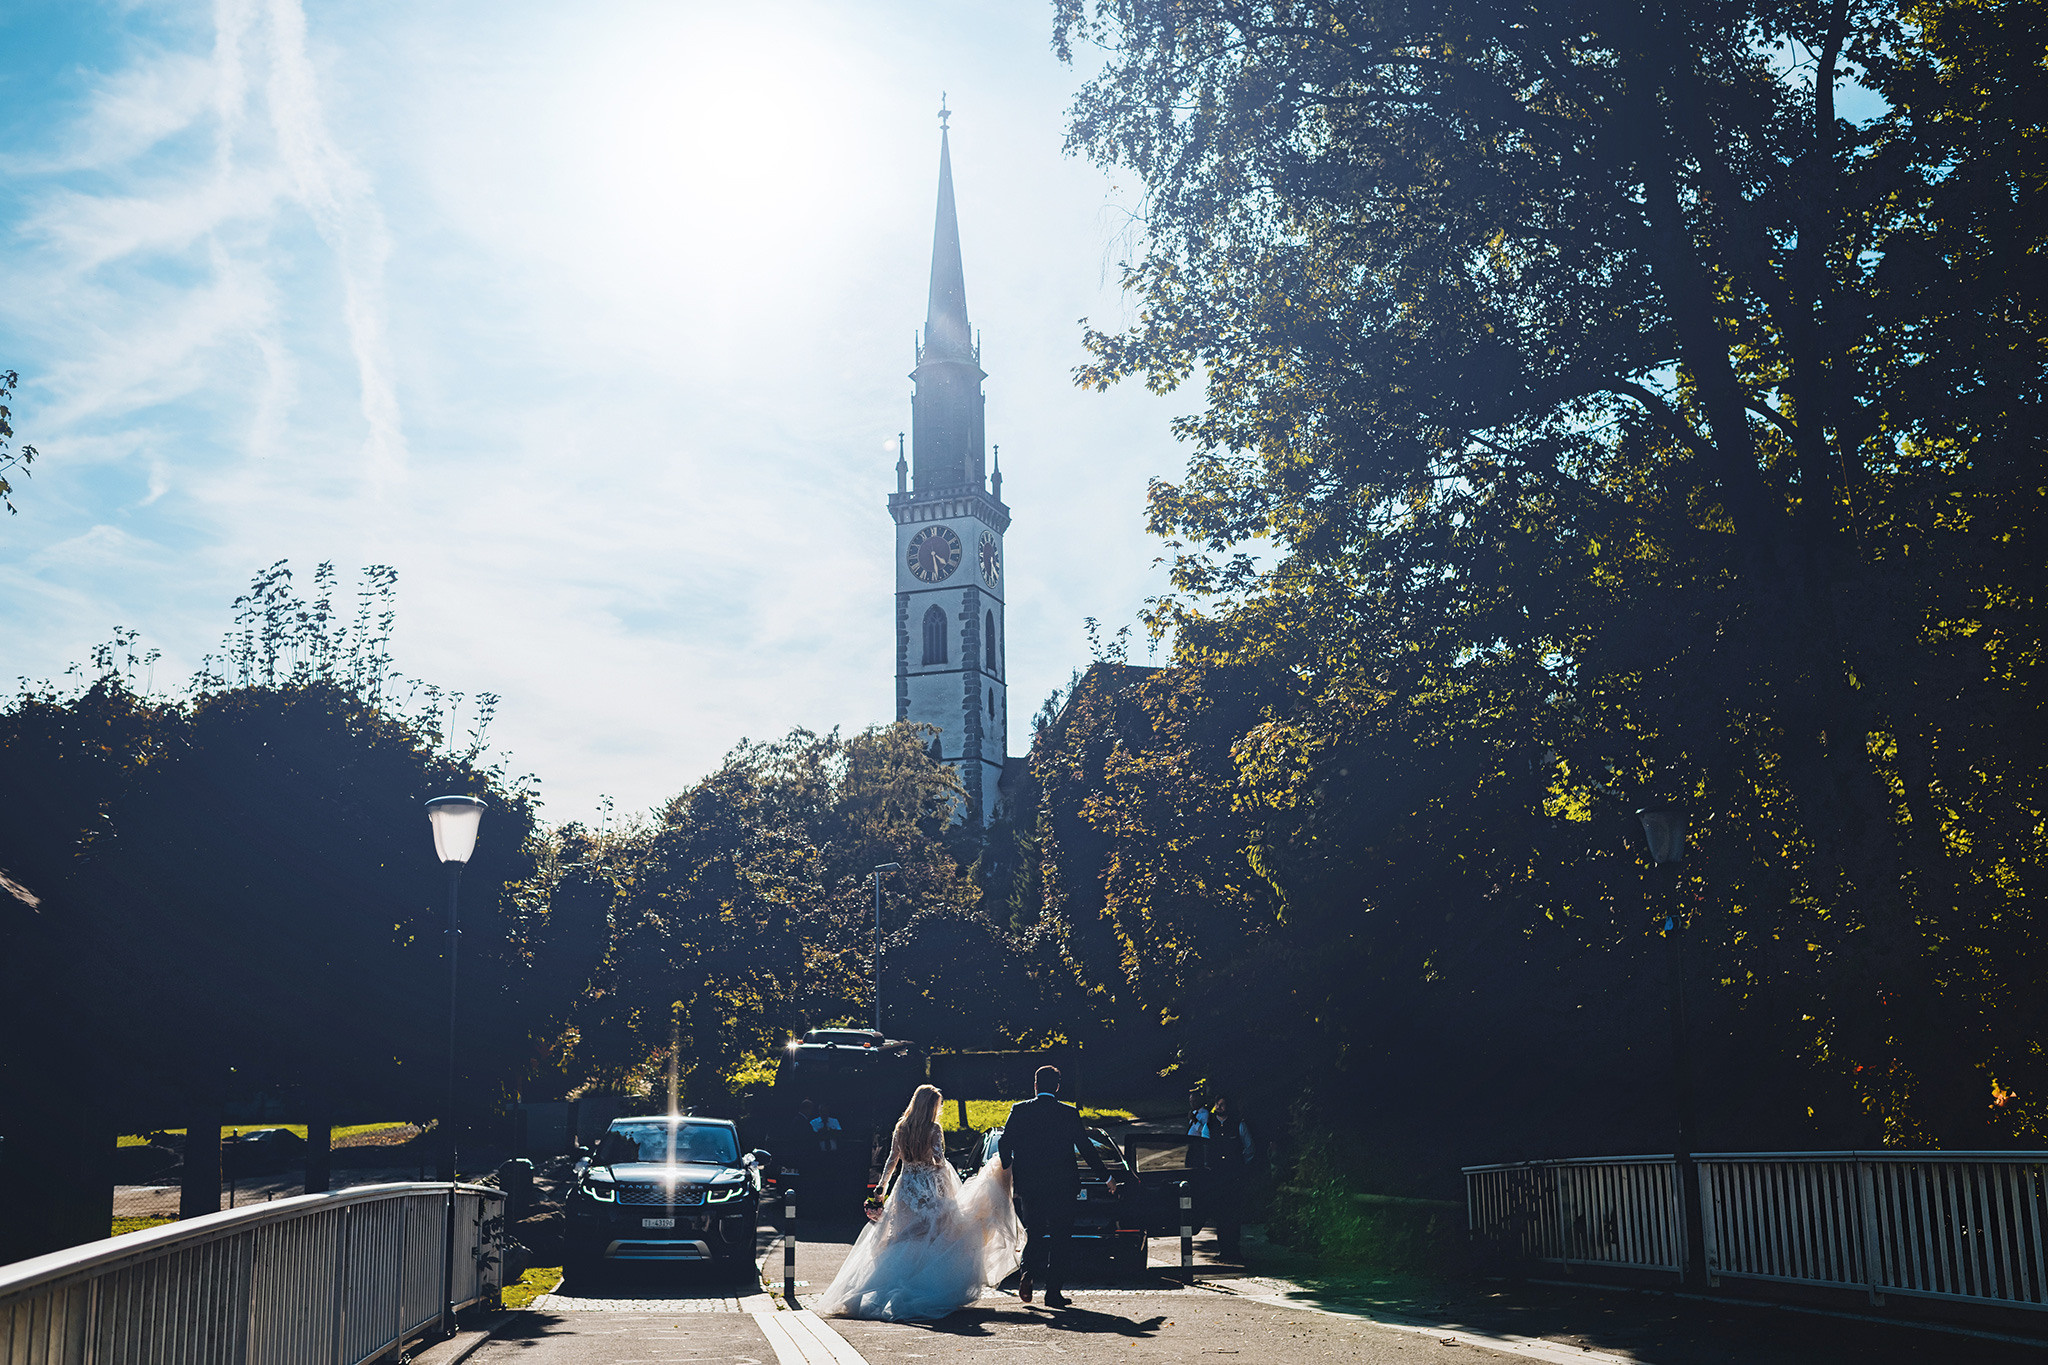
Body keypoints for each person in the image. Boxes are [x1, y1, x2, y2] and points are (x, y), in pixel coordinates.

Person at [816, 1084, 1022, 1321]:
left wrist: (880, 1190)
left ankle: (887, 1283)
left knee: (903, 1237)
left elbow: (891, 1161)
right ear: (931, 1106)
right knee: (933, 1237)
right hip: (930, 1188)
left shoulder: (901, 1127)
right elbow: (938, 1159)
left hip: (906, 1189)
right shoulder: (934, 1129)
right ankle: (921, 1285)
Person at [999, 1065, 1118, 1309]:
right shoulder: (1068, 1113)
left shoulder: (1019, 1110)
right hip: (1063, 1187)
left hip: (1031, 1186)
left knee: (1035, 1232)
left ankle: (1028, 1272)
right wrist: (1106, 1177)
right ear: (1057, 1086)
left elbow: (1004, 1142)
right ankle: (1053, 1293)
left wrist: (1007, 1164)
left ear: (1035, 1085)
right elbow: (1086, 1148)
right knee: (1061, 1238)